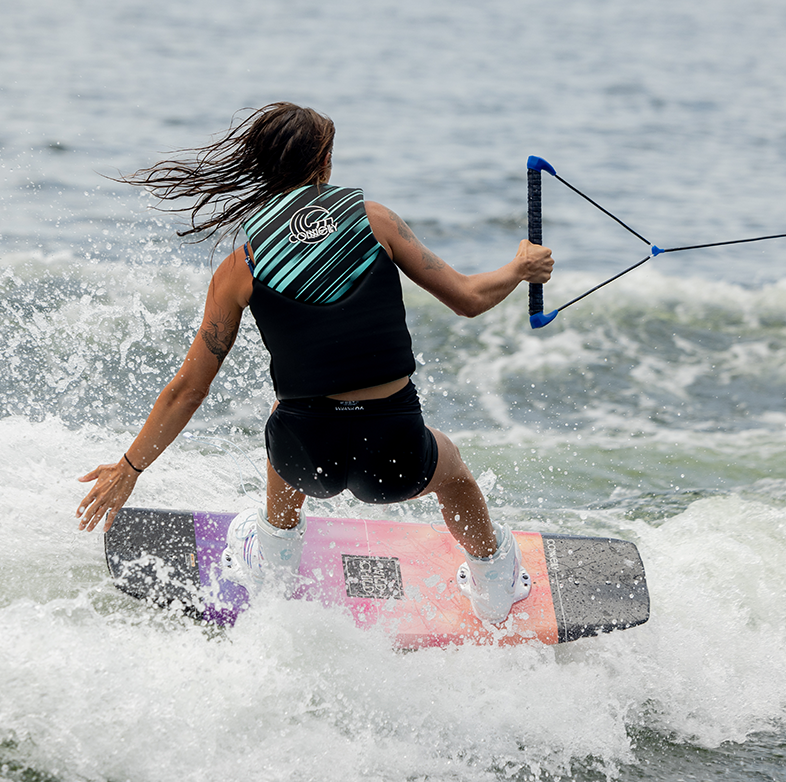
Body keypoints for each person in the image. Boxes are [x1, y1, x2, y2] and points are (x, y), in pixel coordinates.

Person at [77, 103, 554, 625]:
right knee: (454, 471)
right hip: (393, 456)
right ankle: (494, 582)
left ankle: (273, 559)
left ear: (260, 169)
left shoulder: (241, 266)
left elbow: (188, 389)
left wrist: (130, 468)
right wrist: (519, 268)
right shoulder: (375, 222)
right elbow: (467, 298)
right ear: (323, 164)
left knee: (287, 418)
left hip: (306, 458)